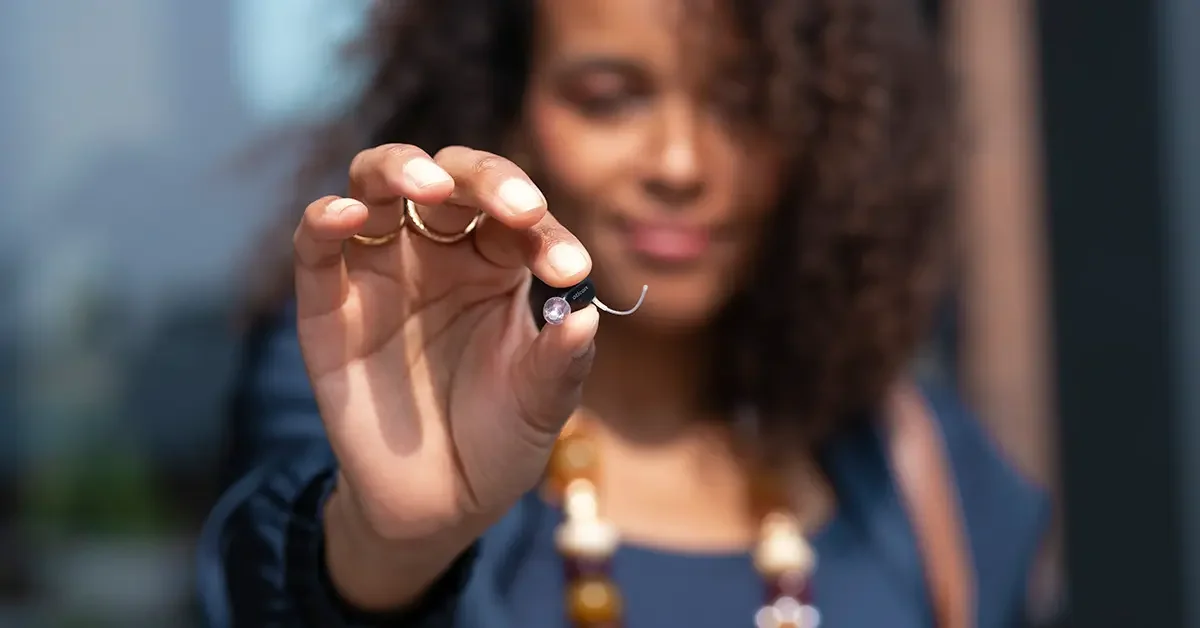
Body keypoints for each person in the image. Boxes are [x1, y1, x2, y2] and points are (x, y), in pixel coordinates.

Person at [199, 0, 1048, 626]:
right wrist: (387, 549)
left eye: (744, 103)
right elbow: (263, 584)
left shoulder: (925, 469)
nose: (679, 163)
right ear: (508, 111)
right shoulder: (384, 396)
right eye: (609, 97)